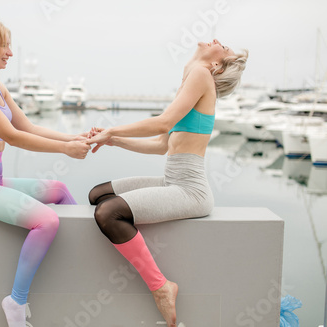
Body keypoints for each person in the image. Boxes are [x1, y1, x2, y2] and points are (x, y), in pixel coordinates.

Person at [86, 39, 248, 326]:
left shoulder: (201, 75)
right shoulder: (191, 78)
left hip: (190, 189)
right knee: (97, 194)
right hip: (172, 180)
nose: (217, 42)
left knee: (107, 213)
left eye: (223, 48)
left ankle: (161, 287)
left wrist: (110, 128)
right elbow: (162, 144)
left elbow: (162, 123)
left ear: (216, 66)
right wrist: (114, 140)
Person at [0, 18, 90, 327]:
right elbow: (13, 138)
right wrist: (65, 151)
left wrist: (74, 138)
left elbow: (27, 126)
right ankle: (15, 302)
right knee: (46, 220)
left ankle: (82, 252)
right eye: (5, 45)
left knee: (58, 189)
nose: (10, 53)